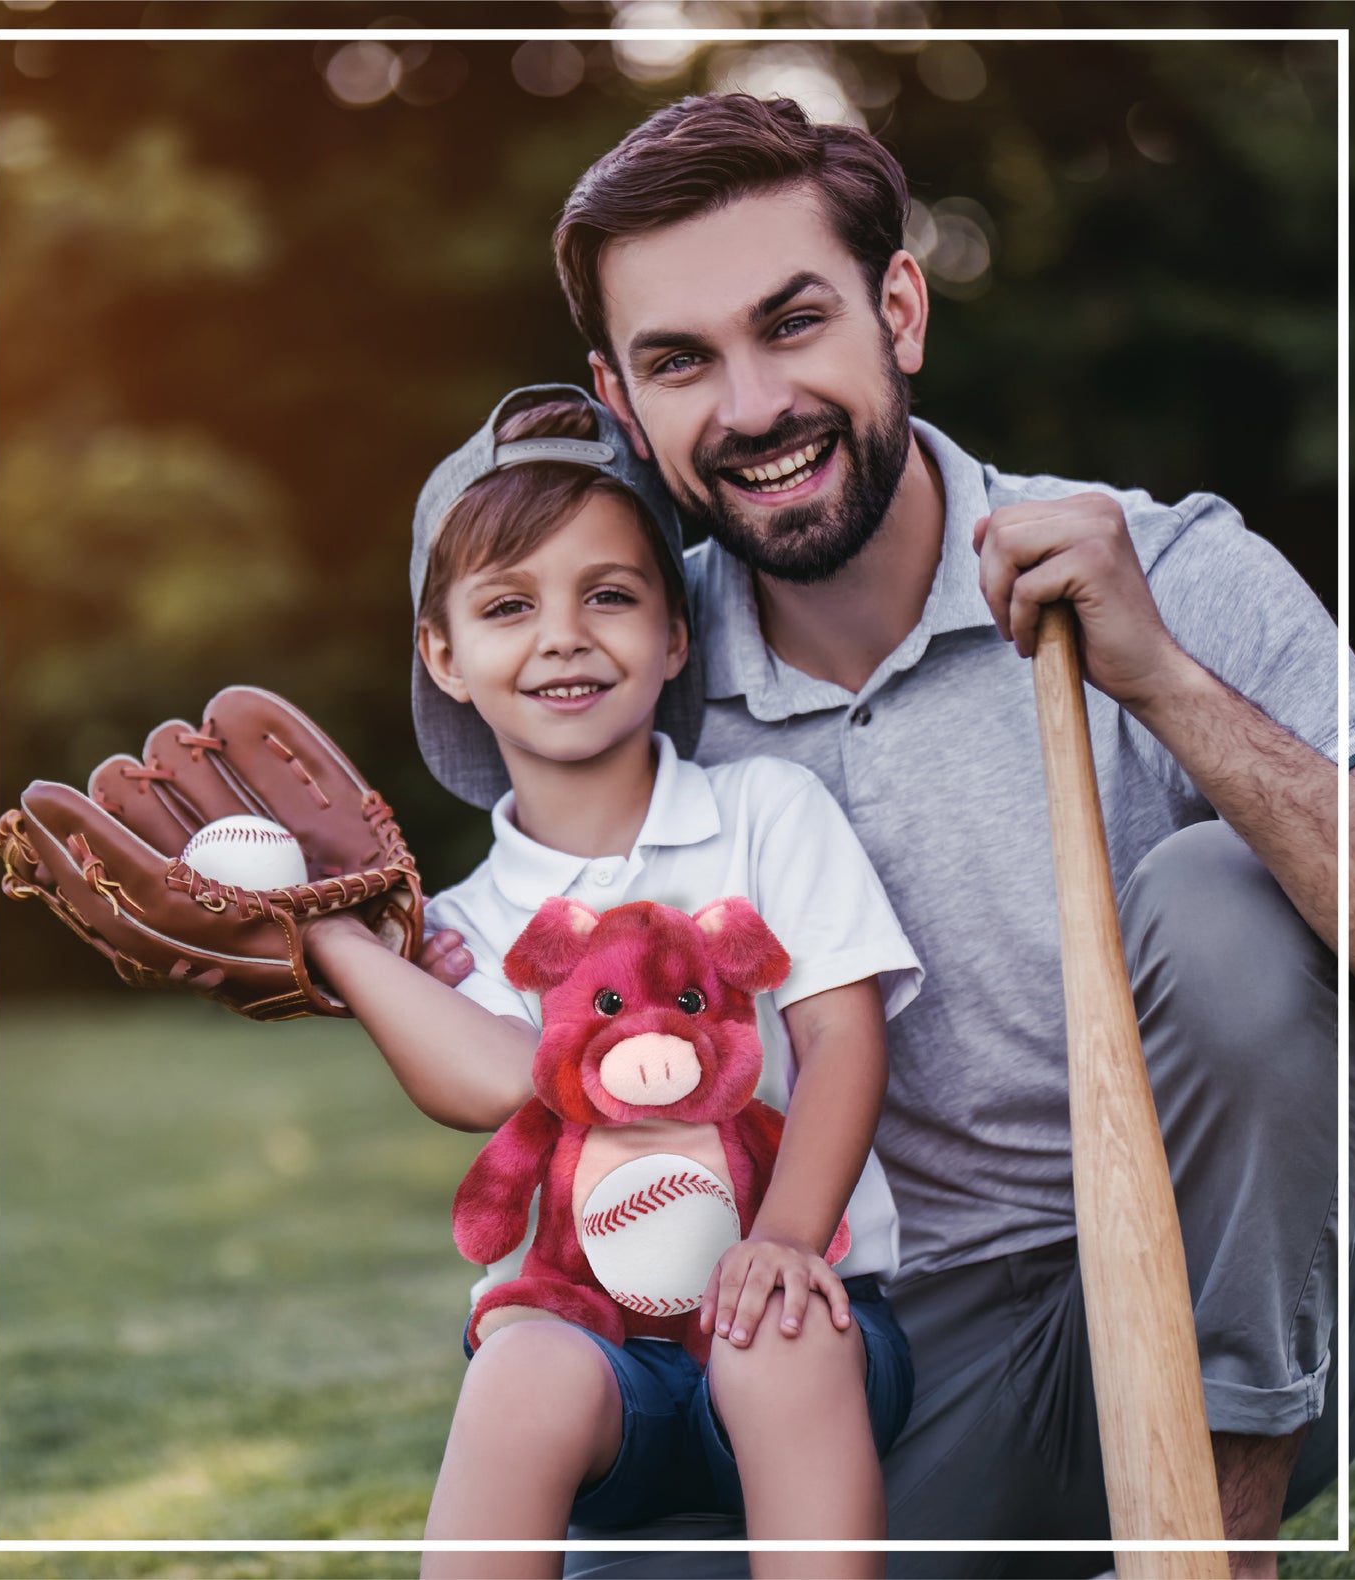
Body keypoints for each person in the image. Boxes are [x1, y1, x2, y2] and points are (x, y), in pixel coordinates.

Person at [421, 94, 1355, 1579]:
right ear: (621, 402)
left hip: (1235, 1300)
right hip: (876, 1345)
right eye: (682, 362)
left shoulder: (1169, 565)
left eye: (792, 323)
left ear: (899, 308)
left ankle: (1209, 1555)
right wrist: (322, 940)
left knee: (1220, 899)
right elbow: (496, 927)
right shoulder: (629, 664)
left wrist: (1164, 682)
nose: (749, 408)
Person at [306, 385, 921, 1579]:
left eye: (609, 594)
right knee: (518, 1365)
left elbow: (844, 1040)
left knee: (774, 1333)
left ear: (675, 631)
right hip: (606, 1358)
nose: (562, 635)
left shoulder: (762, 812)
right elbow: (493, 1081)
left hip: (812, 1316)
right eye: (504, 605)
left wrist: (784, 1237)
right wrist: (337, 939)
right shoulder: (466, 924)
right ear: (443, 653)